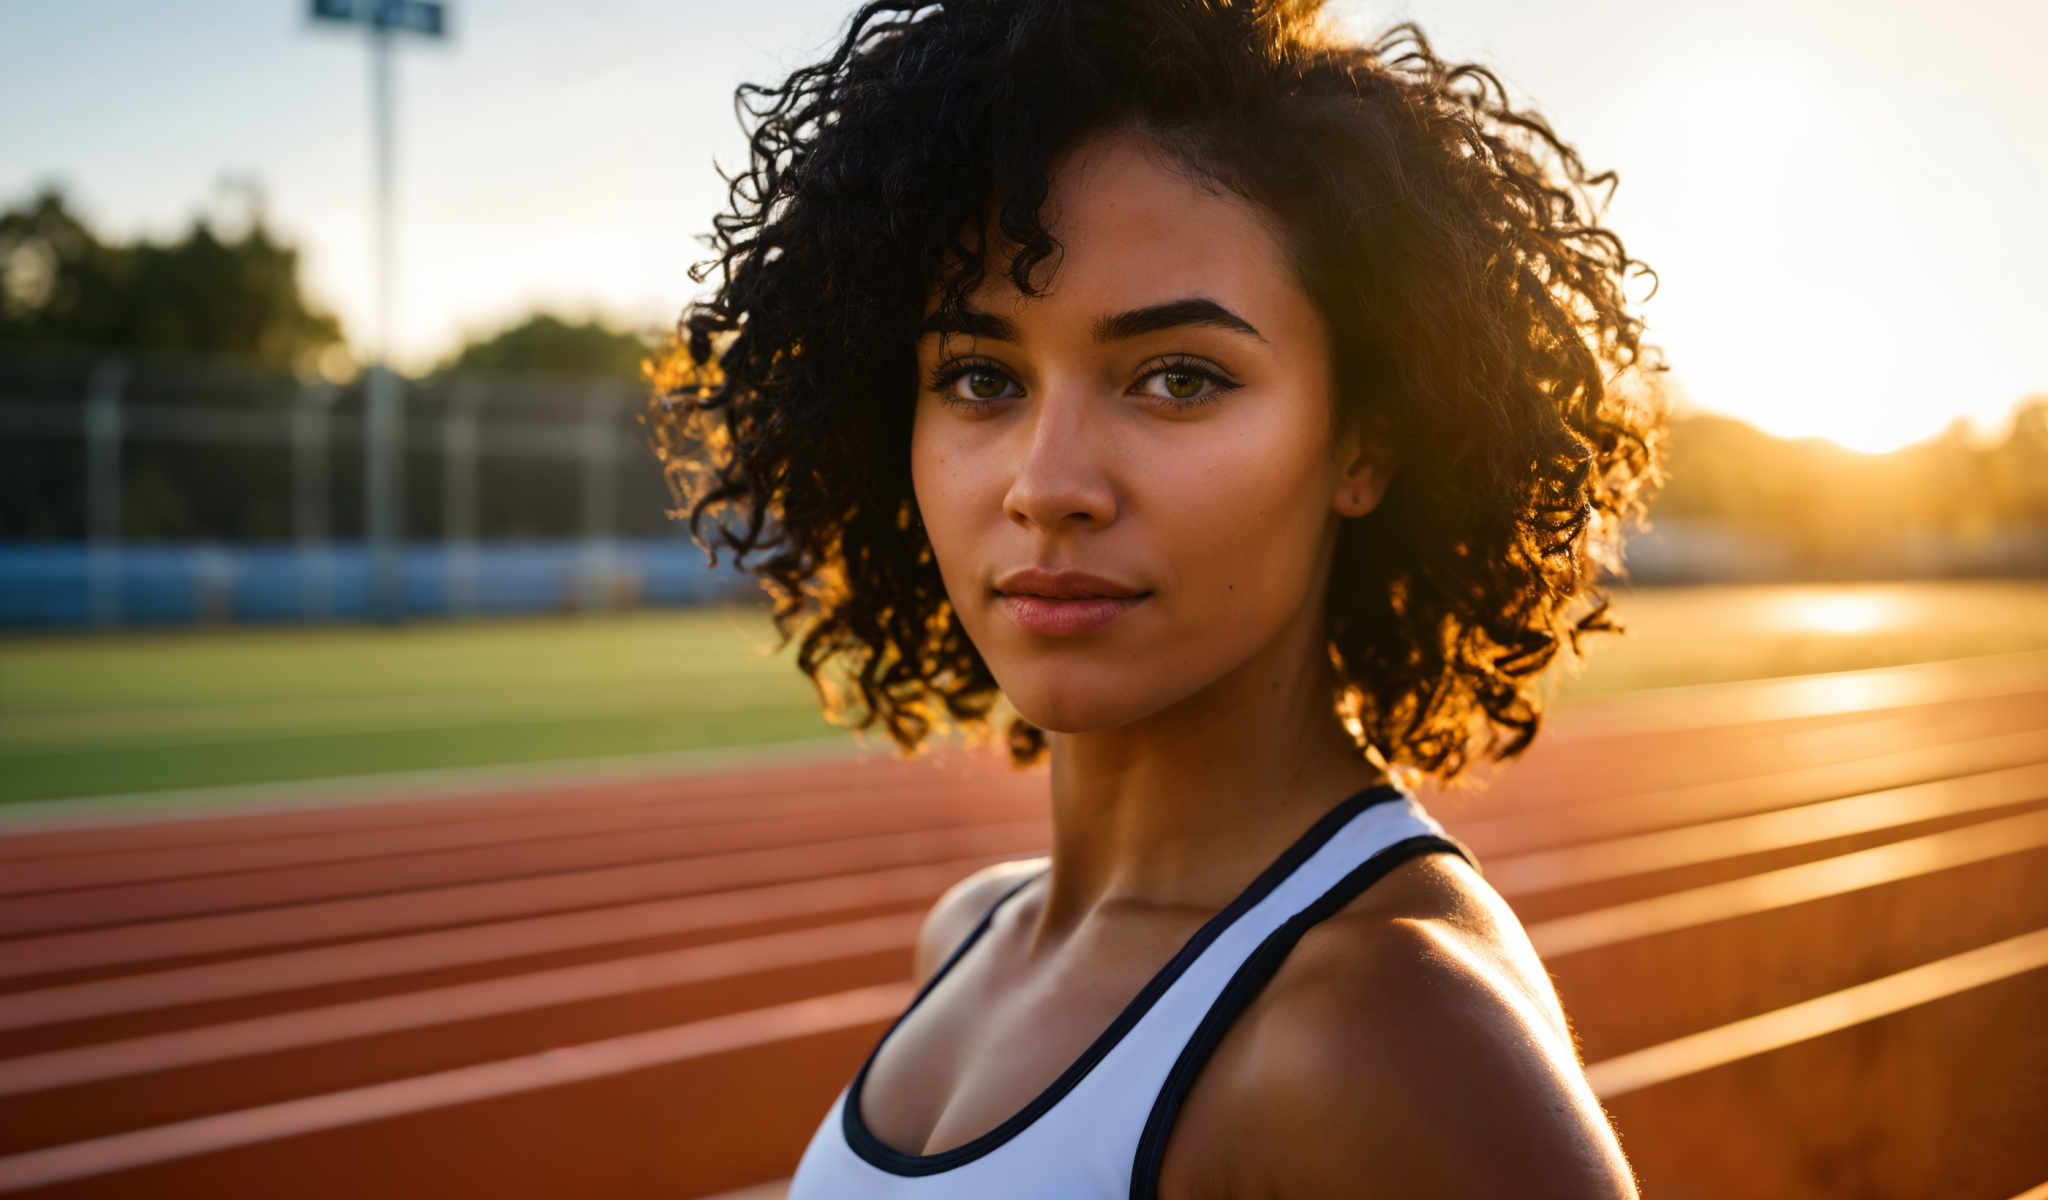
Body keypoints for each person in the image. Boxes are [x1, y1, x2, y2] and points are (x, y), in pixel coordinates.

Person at [647, 0, 1666, 1194]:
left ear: (1363, 444)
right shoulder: (970, 932)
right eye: (979, 376)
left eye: (1178, 378)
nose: (1047, 485)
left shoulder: (1381, 1034)